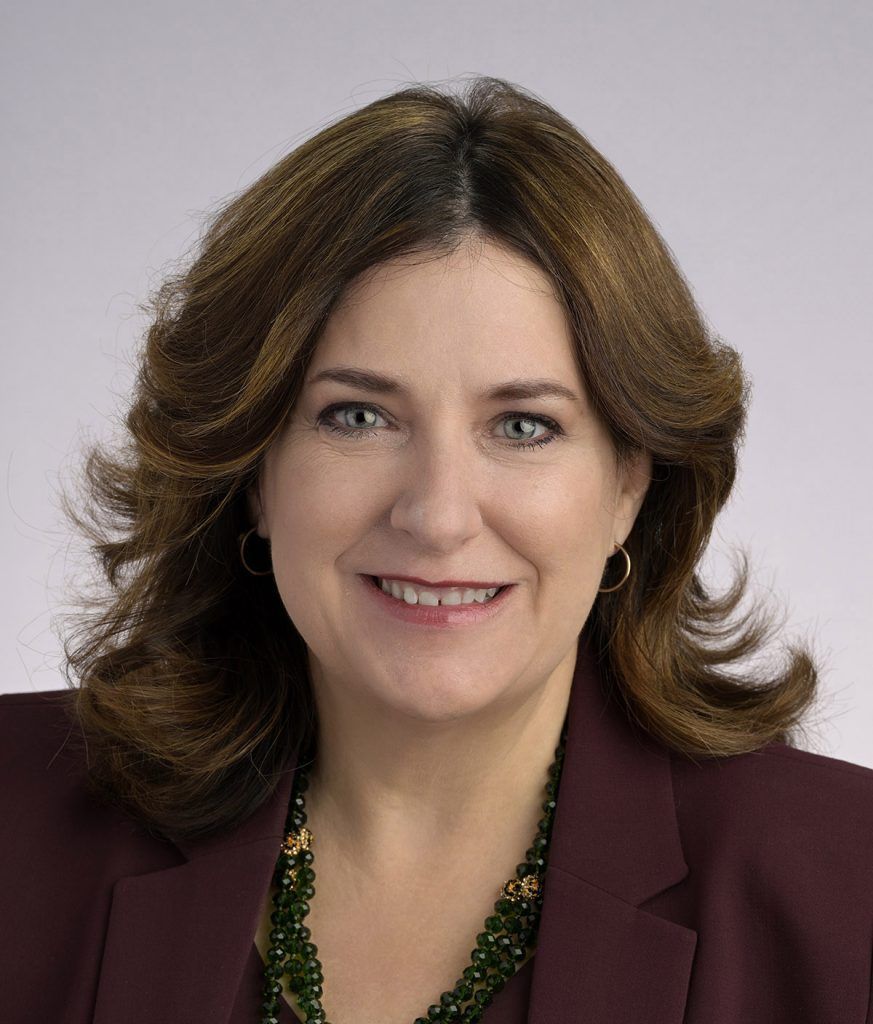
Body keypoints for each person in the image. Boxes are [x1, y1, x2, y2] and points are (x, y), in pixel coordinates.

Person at [2, 75, 871, 1024]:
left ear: (630, 484)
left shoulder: (843, 888)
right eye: (360, 416)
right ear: (251, 469)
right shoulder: (18, 820)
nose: (438, 515)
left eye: (524, 427)